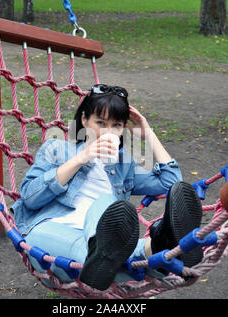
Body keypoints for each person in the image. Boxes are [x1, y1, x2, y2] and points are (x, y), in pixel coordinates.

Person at [11, 84, 203, 291]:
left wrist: (148, 132)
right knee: (109, 227)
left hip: (105, 242)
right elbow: (30, 197)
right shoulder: (57, 149)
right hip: (50, 229)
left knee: (106, 211)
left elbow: (172, 182)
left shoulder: (123, 164)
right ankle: (161, 249)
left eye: (116, 125)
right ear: (84, 120)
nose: (107, 132)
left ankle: (156, 244)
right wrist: (81, 158)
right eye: (100, 122)